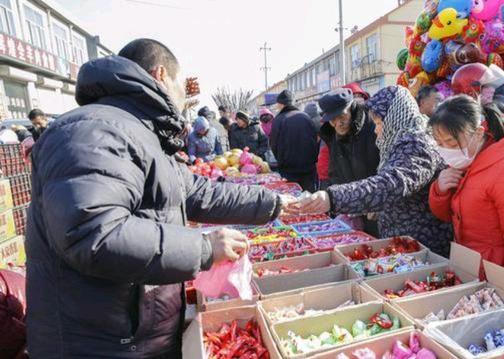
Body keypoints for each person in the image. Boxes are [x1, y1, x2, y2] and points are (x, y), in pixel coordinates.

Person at [25, 38, 287, 358]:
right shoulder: (94, 130)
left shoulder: (138, 132)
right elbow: (92, 232)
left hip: (131, 333)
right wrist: (203, 248)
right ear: (161, 75)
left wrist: (274, 203)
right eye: (181, 84)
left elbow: (196, 191)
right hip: (98, 343)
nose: (183, 96)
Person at [295, 86, 453, 256]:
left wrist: (333, 198)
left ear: (395, 118)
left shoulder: (418, 143)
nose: (376, 130)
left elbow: (392, 184)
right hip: (404, 242)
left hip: (422, 244)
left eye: (379, 123)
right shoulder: (400, 141)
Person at [428, 95, 504, 303]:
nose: (445, 150)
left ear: (478, 133)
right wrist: (440, 190)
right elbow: (449, 215)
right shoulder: (466, 162)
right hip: (473, 270)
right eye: (439, 143)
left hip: (499, 277)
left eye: (451, 142)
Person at [318, 88, 380, 237]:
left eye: (342, 117)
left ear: (351, 109)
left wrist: (379, 201)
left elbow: (385, 169)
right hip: (352, 209)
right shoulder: (332, 133)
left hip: (376, 207)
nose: (338, 123)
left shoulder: (373, 127)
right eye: (332, 119)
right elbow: (335, 172)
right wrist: (340, 201)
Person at [271, 90, 319, 191]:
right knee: (309, 199)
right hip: (308, 169)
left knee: (292, 201)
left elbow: (273, 144)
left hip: (288, 170)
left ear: (280, 104)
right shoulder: (306, 117)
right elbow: (315, 141)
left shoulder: (278, 119)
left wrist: (281, 161)